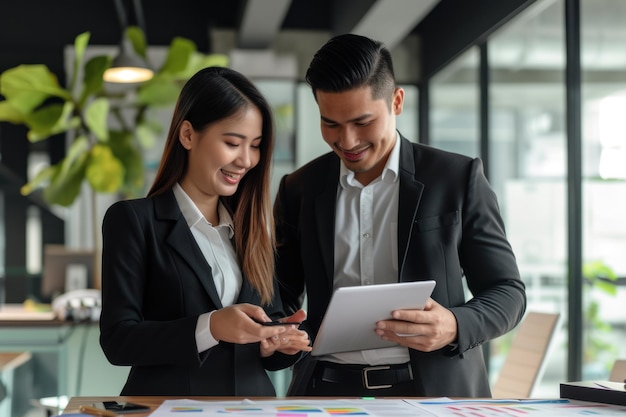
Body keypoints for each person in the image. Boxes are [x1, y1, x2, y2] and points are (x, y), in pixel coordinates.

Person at [274, 34, 527, 398]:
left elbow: (507, 292)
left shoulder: (457, 178)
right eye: (330, 123)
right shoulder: (299, 188)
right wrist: (275, 330)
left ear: (396, 101)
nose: (346, 141)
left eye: (362, 122)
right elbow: (279, 295)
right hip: (325, 394)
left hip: (434, 394)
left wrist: (455, 324)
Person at [99, 66, 311, 396]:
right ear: (187, 135)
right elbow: (118, 340)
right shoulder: (133, 221)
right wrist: (210, 326)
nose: (246, 160)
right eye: (232, 142)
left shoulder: (252, 231)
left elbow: (266, 331)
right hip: (169, 408)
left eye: (255, 145)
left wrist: (279, 342)